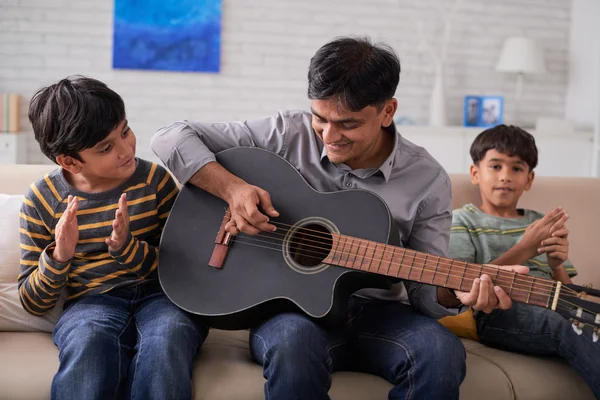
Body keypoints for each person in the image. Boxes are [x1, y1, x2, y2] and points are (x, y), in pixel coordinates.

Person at [151, 36, 521, 400]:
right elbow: (170, 137)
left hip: (381, 314)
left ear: (388, 111)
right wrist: (231, 189)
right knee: (293, 346)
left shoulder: (427, 179)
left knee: (441, 354)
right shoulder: (287, 132)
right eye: (320, 118)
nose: (329, 135)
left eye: (347, 124)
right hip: (292, 311)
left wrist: (456, 290)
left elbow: (426, 294)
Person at [19, 76, 207, 400]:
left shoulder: (154, 181)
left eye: (125, 131)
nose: (126, 149)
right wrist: (59, 256)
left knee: (168, 337)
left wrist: (127, 248)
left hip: (161, 297)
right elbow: (33, 302)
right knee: (89, 342)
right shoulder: (41, 200)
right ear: (69, 161)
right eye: (106, 148)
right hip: (91, 302)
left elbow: (183, 268)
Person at [448, 124, 599, 398]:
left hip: (554, 302)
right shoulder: (462, 220)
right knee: (565, 323)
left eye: (517, 169)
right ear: (475, 173)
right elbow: (458, 279)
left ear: (528, 179)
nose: (505, 176)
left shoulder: (537, 221)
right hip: (497, 311)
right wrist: (525, 248)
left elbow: (571, 294)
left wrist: (556, 264)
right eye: (495, 166)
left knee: (579, 316)